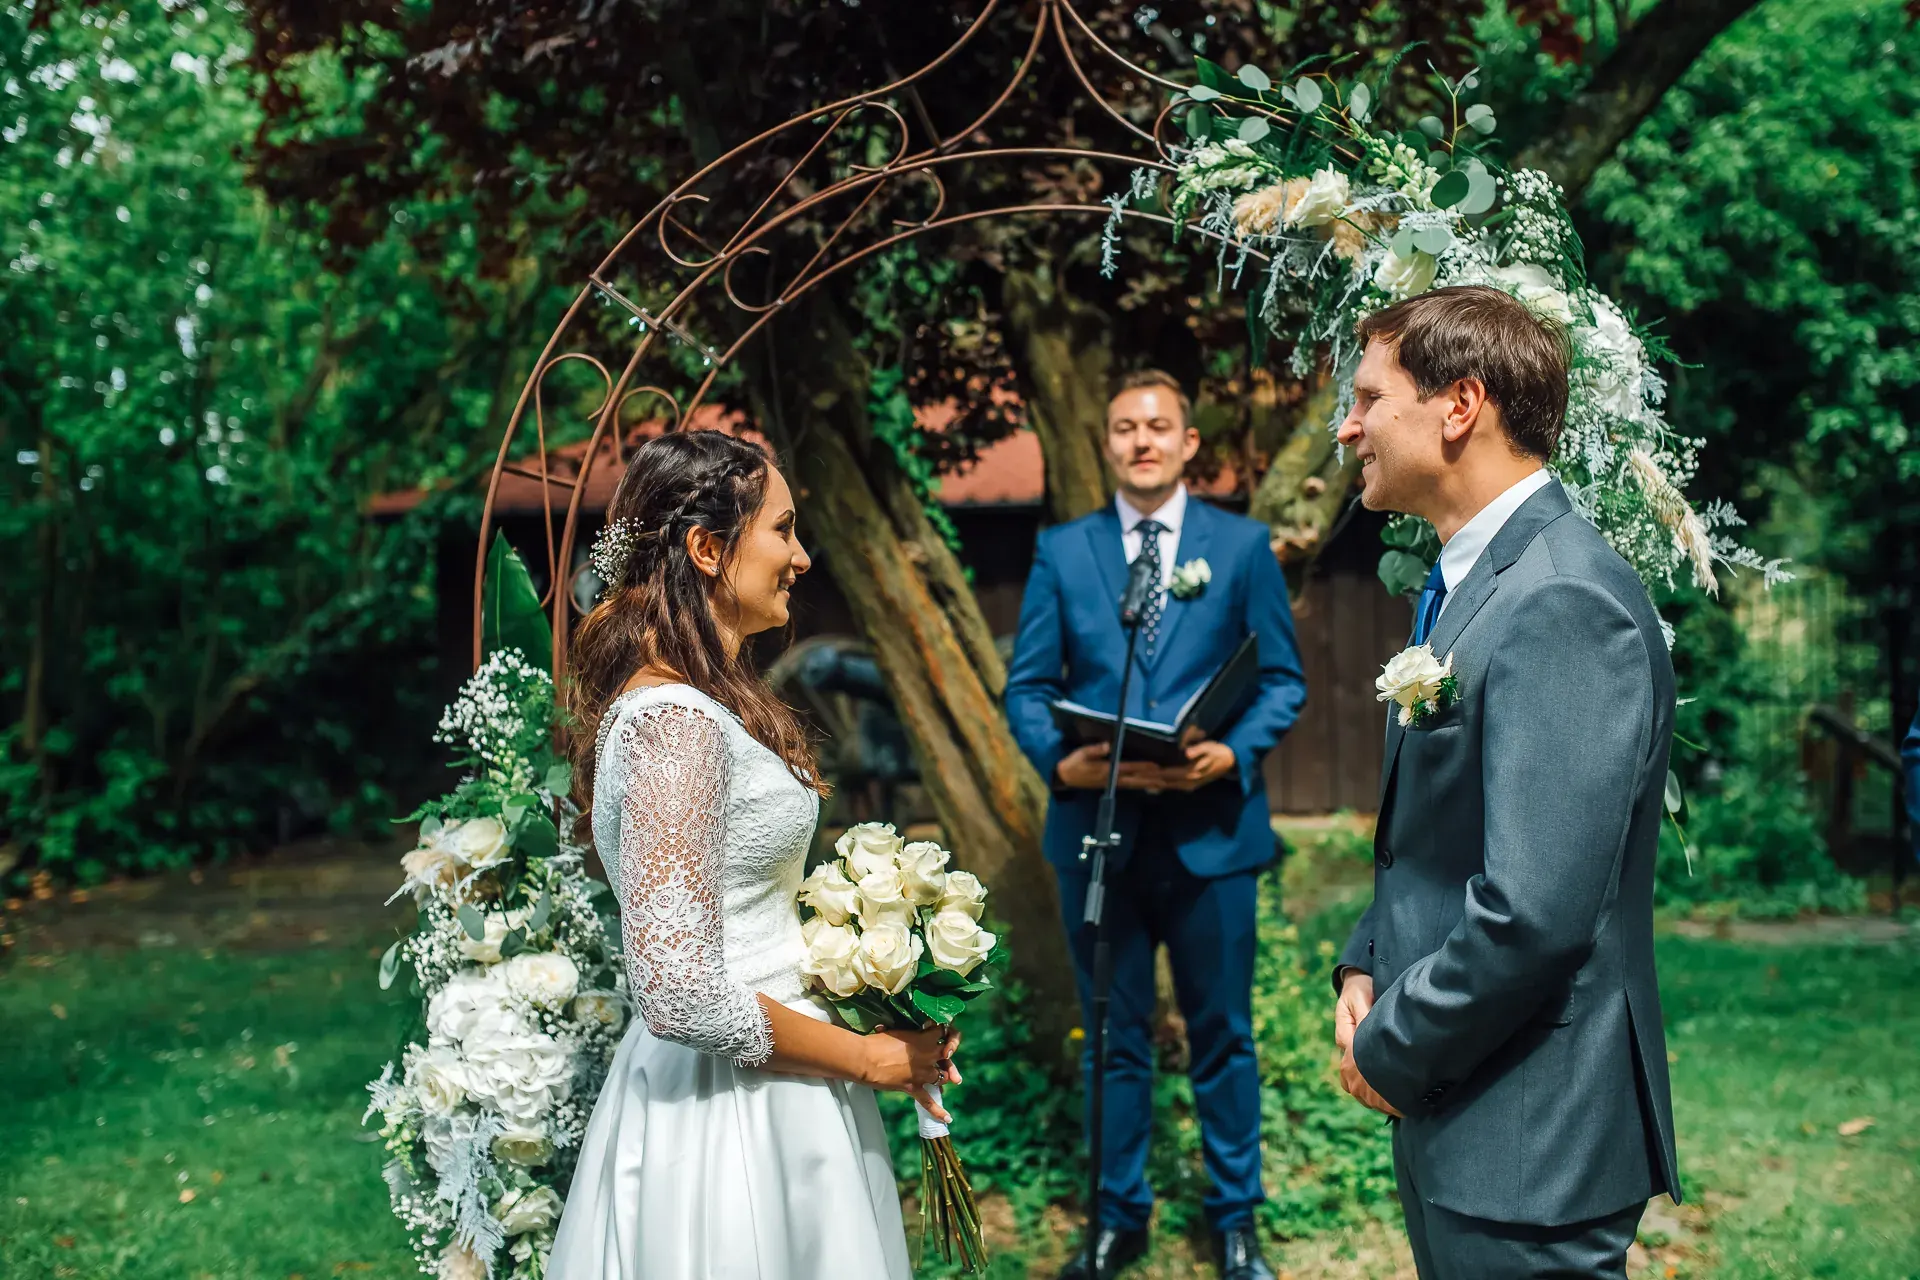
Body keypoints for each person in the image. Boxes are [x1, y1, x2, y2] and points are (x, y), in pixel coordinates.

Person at [546, 430, 956, 1280]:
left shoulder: (706, 704)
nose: (801, 557)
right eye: (783, 529)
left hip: (785, 1076)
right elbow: (678, 990)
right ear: (706, 549)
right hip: (727, 1111)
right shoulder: (673, 725)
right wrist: (868, 1058)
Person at [1329, 286, 1680, 1279]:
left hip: (1532, 1133)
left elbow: (1535, 913)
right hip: (1471, 1108)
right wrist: (1366, 961)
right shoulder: (1471, 580)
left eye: (1369, 398)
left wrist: (1391, 1044)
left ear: (1459, 404)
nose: (1348, 427)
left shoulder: (1562, 598)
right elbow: (1439, 832)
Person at [1005, 370, 1307, 1280]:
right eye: (1125, 428)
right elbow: (1027, 688)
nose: (1142, 441)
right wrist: (1060, 764)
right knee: (1112, 1035)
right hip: (1100, 835)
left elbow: (1283, 679)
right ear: (1106, 444)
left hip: (1214, 832)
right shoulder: (1063, 551)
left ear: (1187, 443)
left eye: (1159, 426)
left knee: (1225, 1035)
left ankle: (1236, 1220)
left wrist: (1234, 753)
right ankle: (1116, 1215)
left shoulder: (1241, 547)